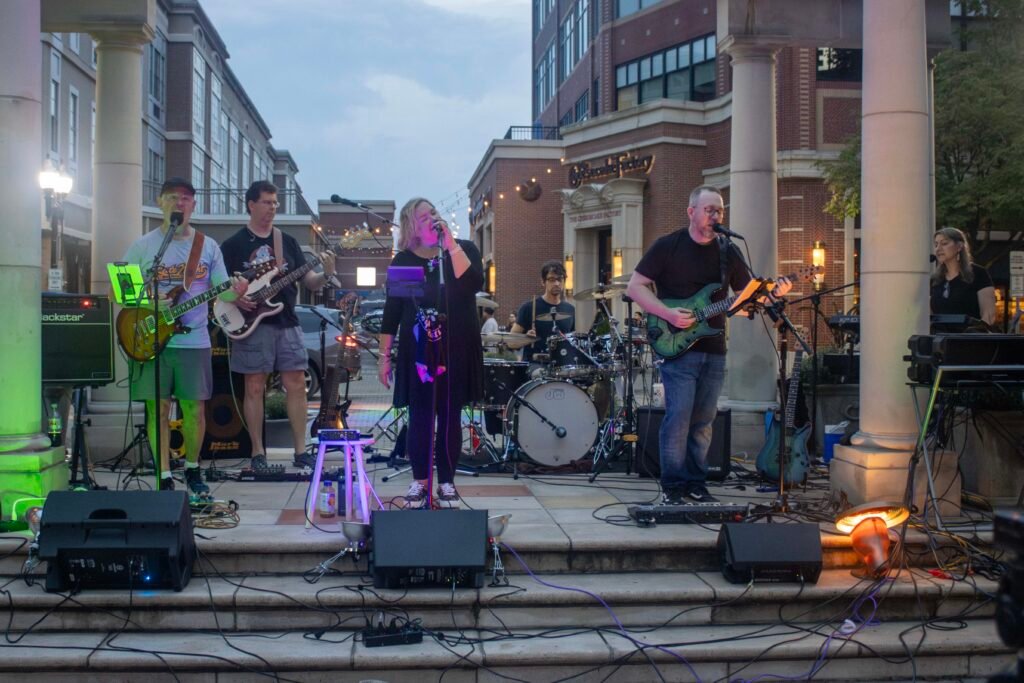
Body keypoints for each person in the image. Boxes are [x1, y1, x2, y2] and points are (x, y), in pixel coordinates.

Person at [626, 185, 791, 504]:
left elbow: (744, 302)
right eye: (709, 210)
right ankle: (673, 486)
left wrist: (773, 294)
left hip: (713, 348)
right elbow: (635, 287)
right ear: (691, 212)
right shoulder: (668, 246)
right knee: (679, 418)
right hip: (677, 347)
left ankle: (696, 483)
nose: (716, 215)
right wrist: (668, 314)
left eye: (720, 210)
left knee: (703, 421)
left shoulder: (729, 251)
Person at [122, 177, 247, 493]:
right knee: (158, 409)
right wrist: (148, 302)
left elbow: (224, 294)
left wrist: (238, 290)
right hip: (152, 339)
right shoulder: (143, 246)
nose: (179, 203)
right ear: (160, 202)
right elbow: (119, 292)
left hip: (194, 340)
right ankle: (163, 474)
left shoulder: (208, 246)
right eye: (172, 197)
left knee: (194, 409)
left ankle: (193, 469)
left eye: (186, 198)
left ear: (193, 205)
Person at [220, 180, 336, 469]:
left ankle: (301, 451)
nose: (272, 207)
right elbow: (219, 288)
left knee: (296, 384)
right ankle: (257, 453)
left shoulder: (287, 242)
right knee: (254, 386)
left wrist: (326, 273)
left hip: (287, 321)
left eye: (275, 203)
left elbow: (309, 281)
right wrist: (236, 299)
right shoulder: (233, 245)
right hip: (252, 323)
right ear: (251, 204)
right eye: (267, 202)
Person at [378, 197, 484, 509]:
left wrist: (450, 244)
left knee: (450, 415)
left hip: (457, 347)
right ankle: (420, 481)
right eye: (424, 216)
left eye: (433, 212)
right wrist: (384, 357)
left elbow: (473, 283)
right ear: (411, 225)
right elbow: (393, 312)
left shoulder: (462, 249)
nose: (432, 218)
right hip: (419, 350)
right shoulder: (406, 261)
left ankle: (447, 482)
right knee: (421, 415)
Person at [511, 260, 575, 362]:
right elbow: (511, 343)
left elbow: (574, 341)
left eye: (560, 279)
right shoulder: (528, 308)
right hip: (535, 364)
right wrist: (526, 339)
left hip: (562, 365)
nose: (557, 283)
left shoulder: (570, 309)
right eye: (552, 279)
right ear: (543, 282)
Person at [930, 227, 996, 326]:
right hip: (939, 335)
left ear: (959, 246)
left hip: (969, 335)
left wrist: (976, 333)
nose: (938, 249)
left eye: (944, 243)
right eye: (936, 245)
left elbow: (989, 316)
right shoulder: (934, 279)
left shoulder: (978, 273)